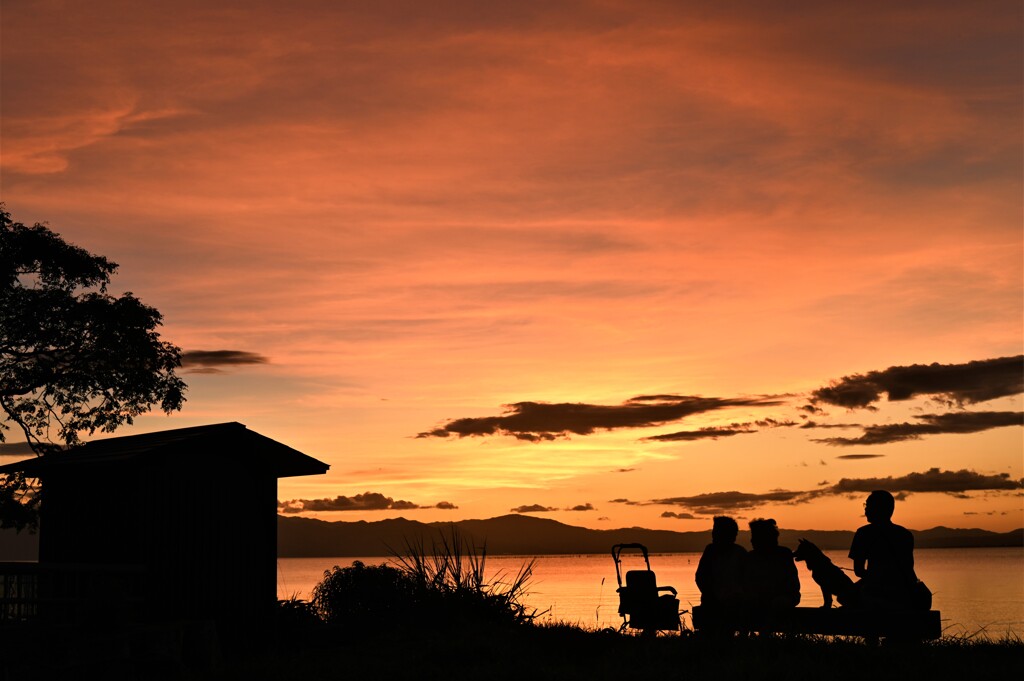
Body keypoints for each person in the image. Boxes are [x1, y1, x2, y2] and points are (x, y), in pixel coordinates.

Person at [849, 490, 919, 609]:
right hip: (902, 593)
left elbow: (858, 571)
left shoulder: (863, 533)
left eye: (868, 505)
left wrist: (875, 577)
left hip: (874, 593)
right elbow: (908, 570)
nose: (865, 510)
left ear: (878, 509)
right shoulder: (905, 534)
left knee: (844, 596)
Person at [744, 518, 800, 610]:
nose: (751, 541)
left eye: (755, 537)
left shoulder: (783, 554)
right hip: (759, 600)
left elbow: (792, 585)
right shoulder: (750, 557)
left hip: (783, 598)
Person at [695, 516, 747, 609]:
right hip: (712, 601)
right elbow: (700, 578)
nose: (713, 534)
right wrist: (711, 595)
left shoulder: (740, 553)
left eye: (716, 531)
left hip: (735, 602)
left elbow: (746, 581)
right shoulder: (710, 550)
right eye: (714, 531)